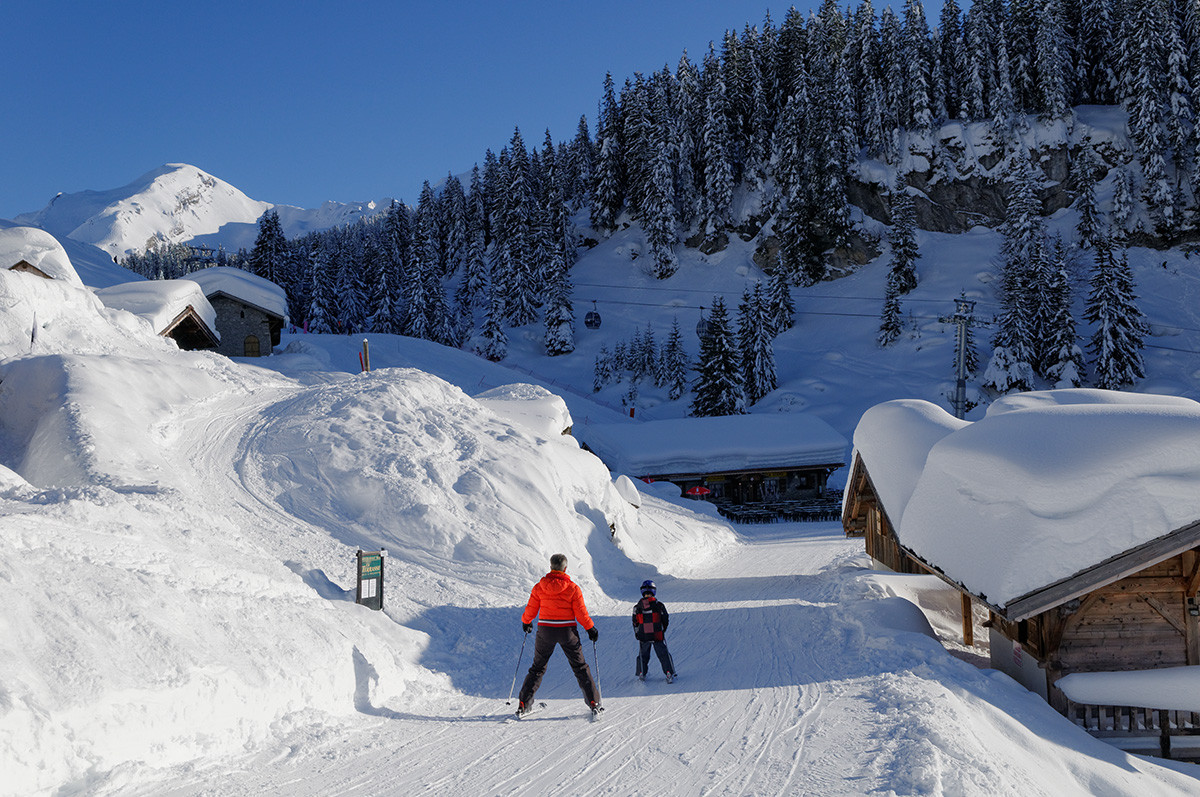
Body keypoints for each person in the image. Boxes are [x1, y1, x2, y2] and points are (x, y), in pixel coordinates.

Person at [517, 553, 600, 715]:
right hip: (567, 631)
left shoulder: (539, 587)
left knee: (537, 668)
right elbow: (581, 613)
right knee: (580, 667)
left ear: (551, 567)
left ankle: (523, 704)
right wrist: (590, 628)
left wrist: (526, 622)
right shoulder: (573, 588)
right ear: (565, 568)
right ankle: (593, 703)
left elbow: (531, 609)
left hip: (545, 631)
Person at [633, 580, 675, 683]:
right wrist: (663, 629)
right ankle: (668, 672)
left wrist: (637, 634)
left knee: (643, 654)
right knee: (663, 654)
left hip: (644, 634)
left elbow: (635, 622)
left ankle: (641, 673)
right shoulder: (659, 605)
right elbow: (665, 618)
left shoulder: (637, 607)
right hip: (657, 634)